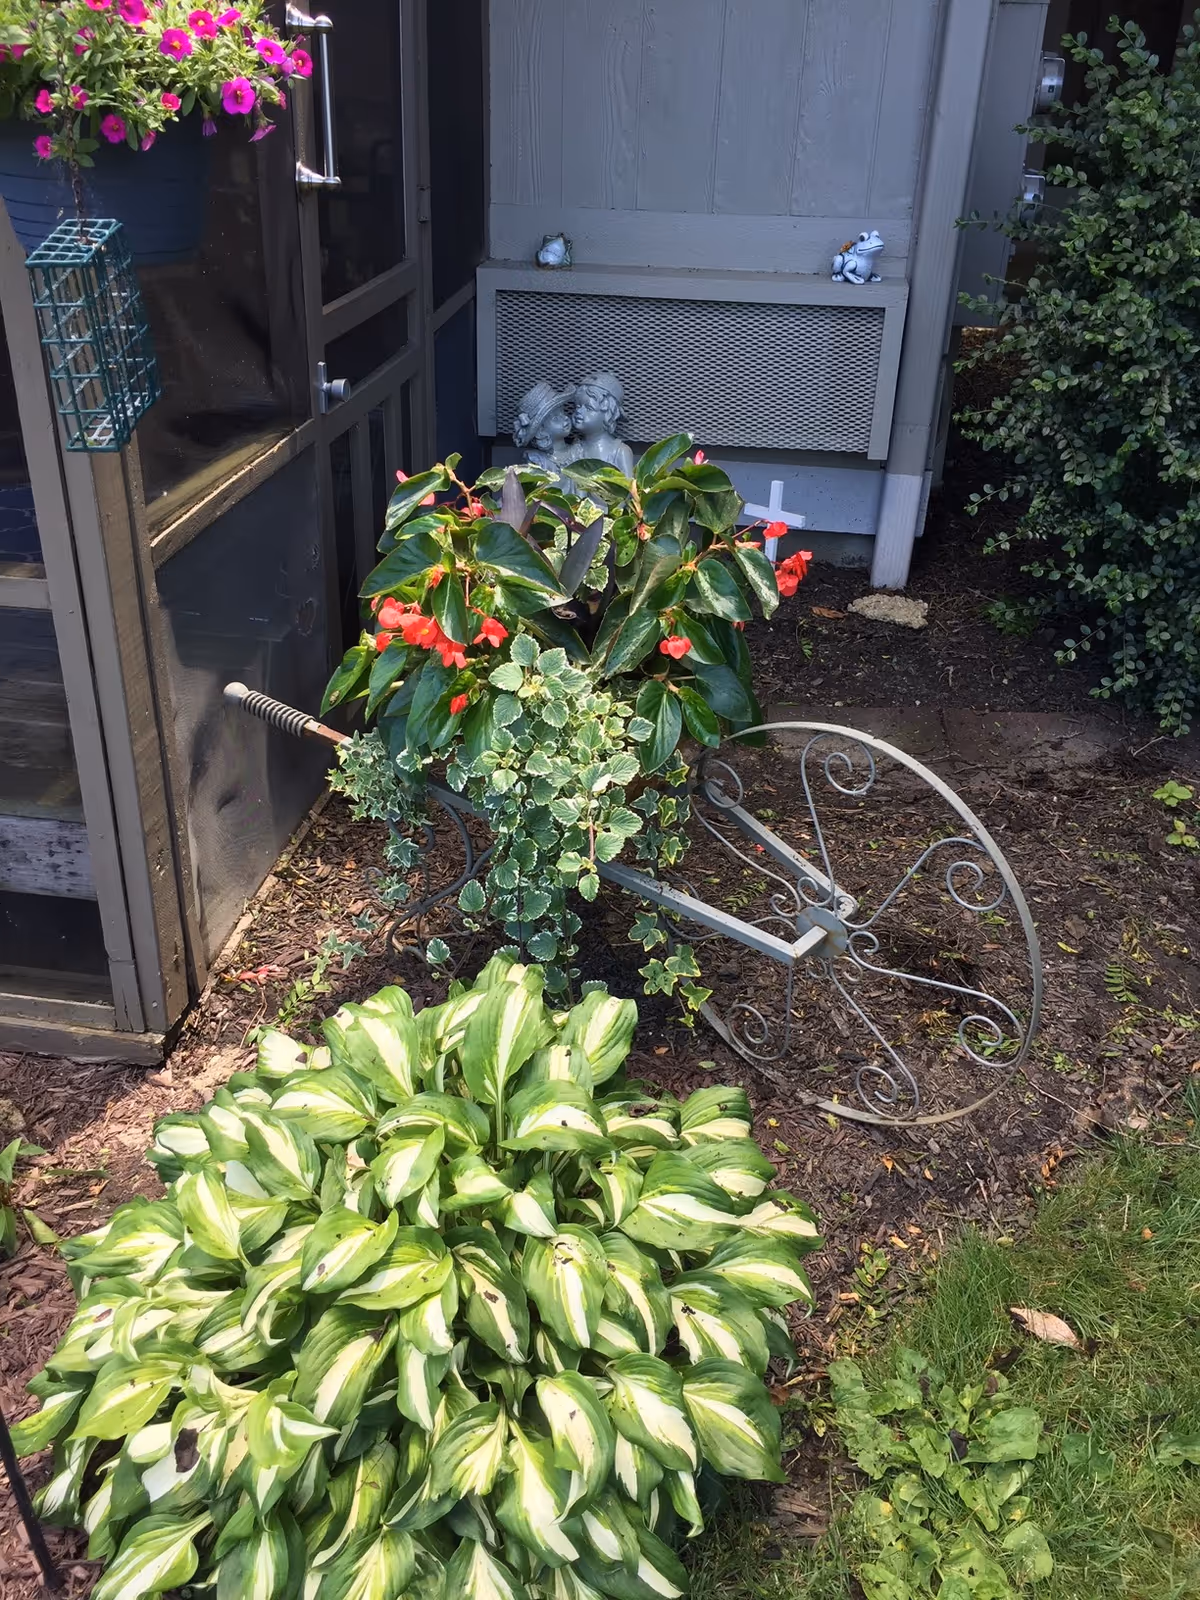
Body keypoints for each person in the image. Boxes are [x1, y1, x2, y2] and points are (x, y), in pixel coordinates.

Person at [566, 372, 634, 476]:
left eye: (589, 408)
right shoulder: (575, 449)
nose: (579, 411)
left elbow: (629, 488)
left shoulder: (619, 452)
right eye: (578, 406)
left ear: (608, 414)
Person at [511, 379, 575, 472]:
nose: (565, 418)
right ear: (541, 432)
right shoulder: (538, 460)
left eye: (563, 412)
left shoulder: (577, 450)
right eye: (556, 418)